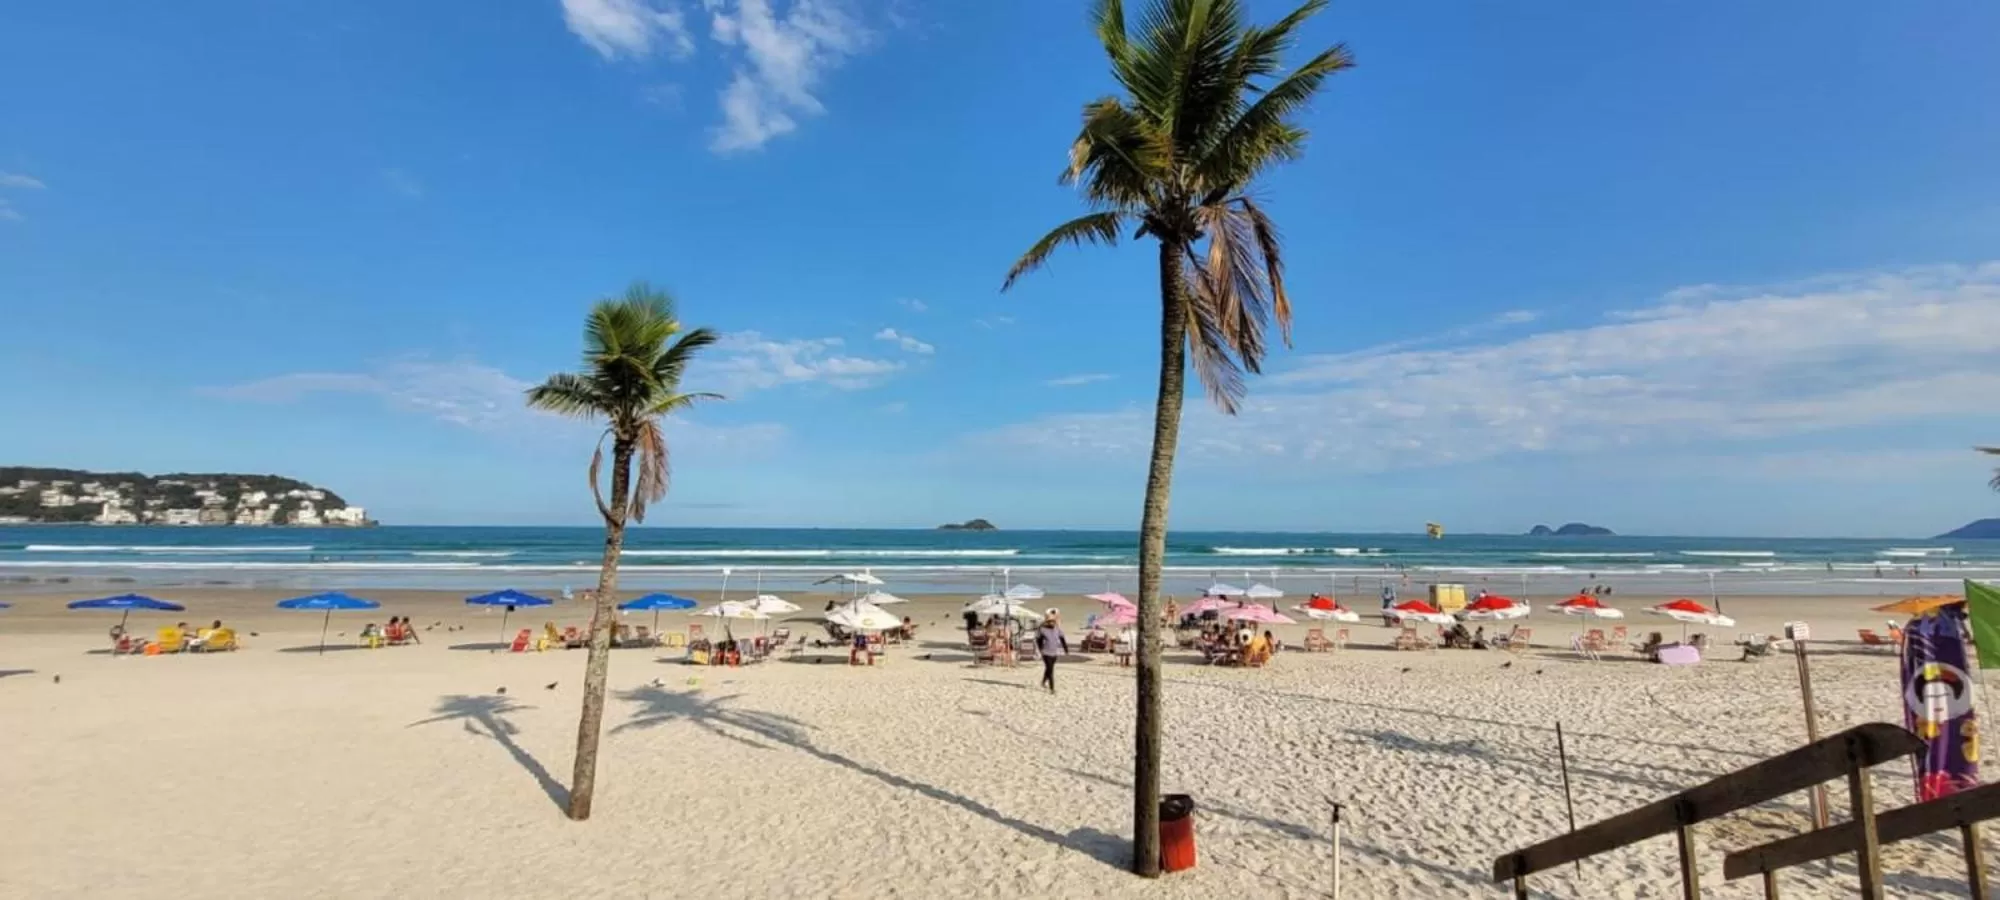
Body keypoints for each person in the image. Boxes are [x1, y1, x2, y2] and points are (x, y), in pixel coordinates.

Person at [1036, 613, 1069, 693]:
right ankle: (1052, 688)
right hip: (1046, 653)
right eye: (1050, 622)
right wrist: (1040, 649)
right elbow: (1038, 640)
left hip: (1054, 653)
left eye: (1053, 621)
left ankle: (1043, 682)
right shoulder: (1042, 629)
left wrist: (1066, 649)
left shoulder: (1057, 629)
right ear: (1047, 622)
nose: (1052, 623)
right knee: (1051, 671)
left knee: (1048, 669)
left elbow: (1062, 639)